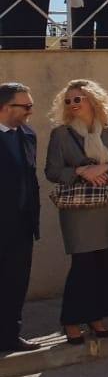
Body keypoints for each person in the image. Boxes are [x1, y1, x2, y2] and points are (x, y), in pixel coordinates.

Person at [45, 79, 108, 343]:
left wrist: (104, 169)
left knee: (104, 262)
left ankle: (97, 317)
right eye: (68, 100)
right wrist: (80, 171)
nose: (72, 104)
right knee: (82, 264)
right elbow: (52, 171)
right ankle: (71, 321)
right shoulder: (60, 134)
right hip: (79, 210)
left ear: (93, 100)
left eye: (78, 99)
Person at [0, 82, 41, 350]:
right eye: (25, 106)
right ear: (4, 108)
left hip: (22, 223)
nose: (30, 111)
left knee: (16, 281)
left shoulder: (28, 135)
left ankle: (9, 337)